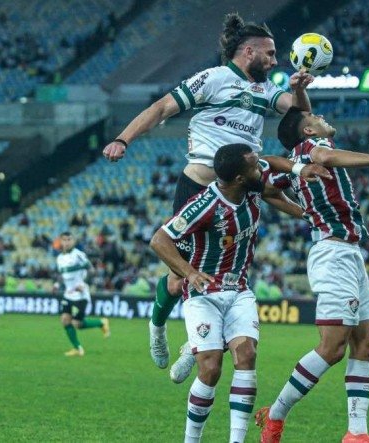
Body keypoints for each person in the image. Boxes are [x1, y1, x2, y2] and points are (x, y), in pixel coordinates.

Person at [101, 12, 315, 373]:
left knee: (225, 272)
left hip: (242, 189)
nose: (275, 60)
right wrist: (124, 139)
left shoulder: (266, 90)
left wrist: (299, 88)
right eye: (270, 53)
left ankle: (197, 342)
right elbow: (160, 109)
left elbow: (301, 121)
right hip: (198, 186)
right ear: (248, 51)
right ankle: (157, 327)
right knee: (177, 277)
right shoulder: (212, 80)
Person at [254, 107, 369, 443]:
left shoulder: (297, 161)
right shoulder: (309, 151)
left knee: (366, 343)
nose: (322, 118)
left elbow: (270, 190)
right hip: (333, 254)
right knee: (332, 348)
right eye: (314, 118)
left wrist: (306, 212)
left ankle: (355, 433)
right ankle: (275, 415)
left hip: (349, 252)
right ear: (306, 132)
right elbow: (323, 153)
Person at [150, 144, 304, 443]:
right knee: (210, 368)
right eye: (252, 166)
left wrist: (308, 210)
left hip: (239, 291)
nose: (259, 169)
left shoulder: (253, 186)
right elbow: (159, 240)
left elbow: (272, 177)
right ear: (238, 179)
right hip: (204, 294)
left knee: (246, 355)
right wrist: (189, 272)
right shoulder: (204, 205)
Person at [56, 231, 110, 357]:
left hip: (81, 294)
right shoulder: (59, 258)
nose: (67, 242)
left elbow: (91, 270)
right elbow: (61, 274)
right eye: (64, 239)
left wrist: (83, 283)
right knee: (65, 319)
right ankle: (78, 349)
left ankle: (101, 322)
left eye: (69, 239)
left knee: (77, 324)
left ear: (73, 241)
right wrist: (57, 285)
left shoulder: (78, 255)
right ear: (61, 241)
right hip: (68, 294)